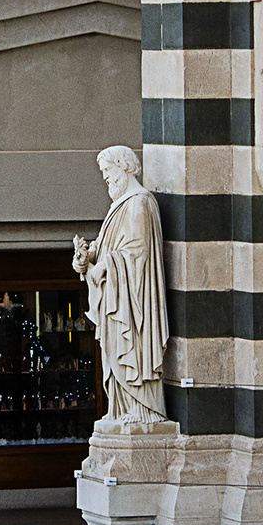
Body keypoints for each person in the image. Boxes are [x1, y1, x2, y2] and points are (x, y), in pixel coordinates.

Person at [73, 145, 169, 424]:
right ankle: (120, 409)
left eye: (108, 172)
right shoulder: (120, 205)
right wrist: (85, 258)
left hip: (132, 300)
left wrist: (102, 266)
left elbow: (137, 251)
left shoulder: (140, 202)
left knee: (130, 352)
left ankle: (141, 410)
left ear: (124, 167)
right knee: (114, 354)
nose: (106, 179)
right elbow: (105, 247)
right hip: (116, 294)